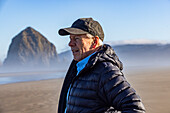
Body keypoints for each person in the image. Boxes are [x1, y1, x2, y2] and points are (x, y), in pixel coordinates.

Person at [58, 18, 145, 113]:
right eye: (70, 39)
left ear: (95, 42)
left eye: (77, 39)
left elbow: (136, 109)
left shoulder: (105, 71)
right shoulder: (79, 68)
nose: (70, 44)